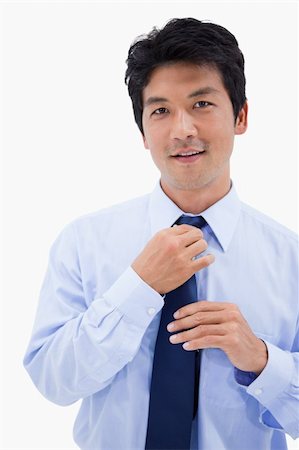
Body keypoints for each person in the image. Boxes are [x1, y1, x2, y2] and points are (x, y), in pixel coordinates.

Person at [24, 17, 298, 450]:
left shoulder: (291, 259)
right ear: (144, 133)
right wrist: (138, 288)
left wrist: (262, 360)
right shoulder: (83, 241)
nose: (182, 129)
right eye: (161, 110)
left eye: (202, 104)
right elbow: (54, 383)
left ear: (240, 116)